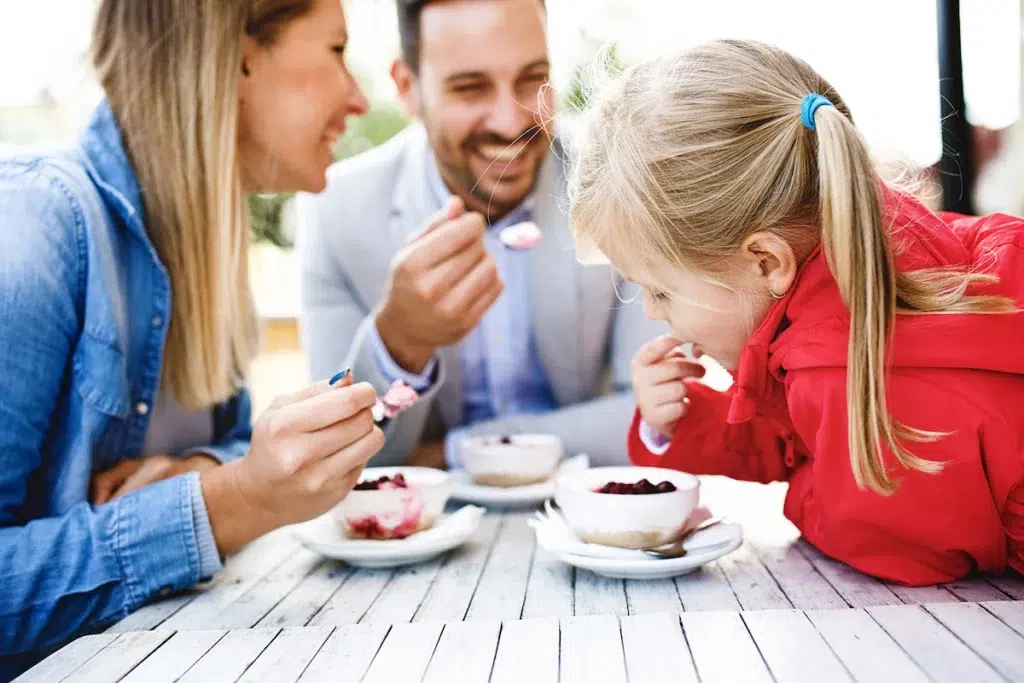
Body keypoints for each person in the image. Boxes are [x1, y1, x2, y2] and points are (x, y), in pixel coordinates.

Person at [0, 0, 383, 675]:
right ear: (238, 58)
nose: (358, 98)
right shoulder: (40, 225)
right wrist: (232, 501)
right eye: (336, 50)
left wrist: (204, 471)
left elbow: (233, 446)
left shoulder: (207, 254)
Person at [568, 39, 1024, 587]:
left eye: (661, 292)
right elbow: (805, 431)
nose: (650, 311)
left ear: (766, 262)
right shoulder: (890, 265)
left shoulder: (847, 375)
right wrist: (683, 421)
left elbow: (893, 545)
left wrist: (806, 491)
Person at [297, 0, 661, 470]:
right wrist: (401, 342)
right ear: (408, 88)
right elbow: (342, 455)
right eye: (471, 89)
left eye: (532, 79)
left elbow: (657, 415)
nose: (511, 123)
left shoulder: (620, 183)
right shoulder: (334, 211)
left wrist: (455, 453)